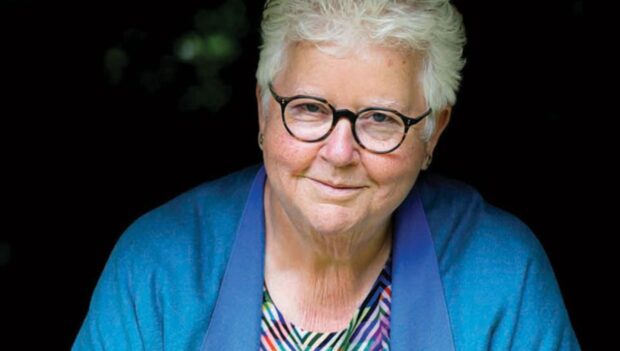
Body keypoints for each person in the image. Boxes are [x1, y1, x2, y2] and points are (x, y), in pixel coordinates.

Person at [73, 0, 580, 350]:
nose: (339, 153)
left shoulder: (502, 275)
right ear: (263, 109)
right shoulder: (158, 268)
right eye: (311, 108)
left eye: (381, 118)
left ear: (433, 132)